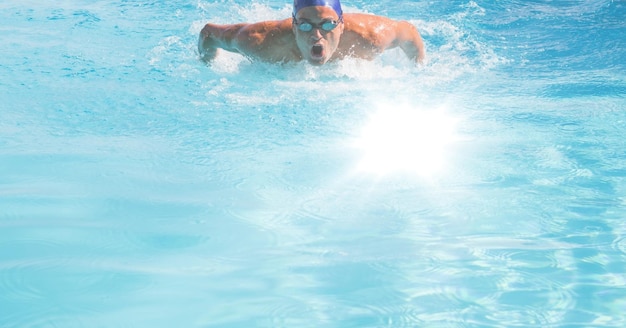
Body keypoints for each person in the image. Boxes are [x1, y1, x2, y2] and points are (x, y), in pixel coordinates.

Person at [198, 0, 425, 65]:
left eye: (327, 25)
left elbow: (409, 32)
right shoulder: (261, 41)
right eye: (306, 25)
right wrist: (207, 66)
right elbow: (208, 33)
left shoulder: (369, 38)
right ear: (294, 25)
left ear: (342, 25)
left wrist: (419, 68)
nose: (317, 35)